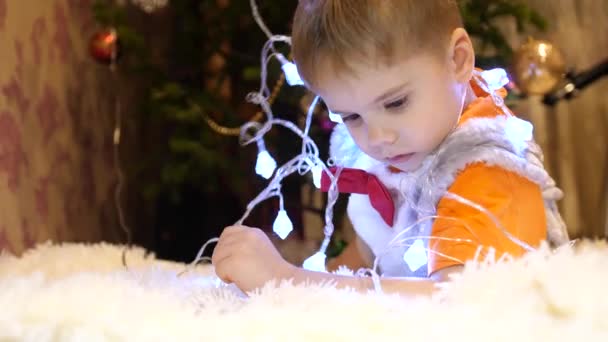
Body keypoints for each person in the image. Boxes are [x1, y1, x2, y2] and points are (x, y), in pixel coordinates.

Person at [211, 0, 569, 295]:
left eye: (396, 103)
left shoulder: (487, 168)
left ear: (458, 60)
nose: (377, 137)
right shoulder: (416, 145)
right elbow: (370, 256)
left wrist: (287, 281)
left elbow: (458, 304)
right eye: (350, 116)